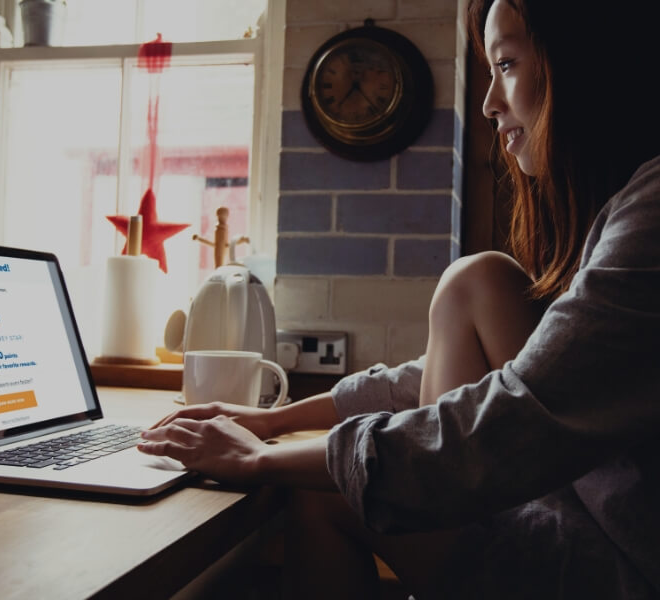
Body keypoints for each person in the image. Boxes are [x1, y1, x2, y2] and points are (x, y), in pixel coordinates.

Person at [138, 0, 660, 597]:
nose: (490, 102)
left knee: (325, 497)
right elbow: (473, 382)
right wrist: (272, 420)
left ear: (586, 62)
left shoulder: (652, 216)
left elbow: (501, 423)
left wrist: (257, 459)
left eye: (507, 64)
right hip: (594, 520)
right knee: (482, 280)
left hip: (629, 566)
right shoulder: (623, 212)